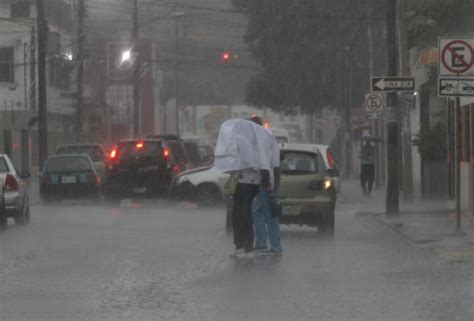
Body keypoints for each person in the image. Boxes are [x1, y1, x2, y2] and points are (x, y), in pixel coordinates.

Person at [214, 118, 275, 259]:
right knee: (238, 214)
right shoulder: (249, 141)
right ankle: (240, 246)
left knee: (244, 214)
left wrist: (267, 183)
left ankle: (247, 248)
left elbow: (264, 163)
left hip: (249, 184)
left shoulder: (258, 142)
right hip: (243, 183)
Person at [251, 117, 282, 255]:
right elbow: (275, 162)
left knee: (270, 214)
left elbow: (264, 161)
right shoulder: (269, 136)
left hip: (265, 181)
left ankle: (275, 247)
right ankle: (262, 243)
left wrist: (269, 183)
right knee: (257, 212)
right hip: (269, 179)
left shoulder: (261, 138)